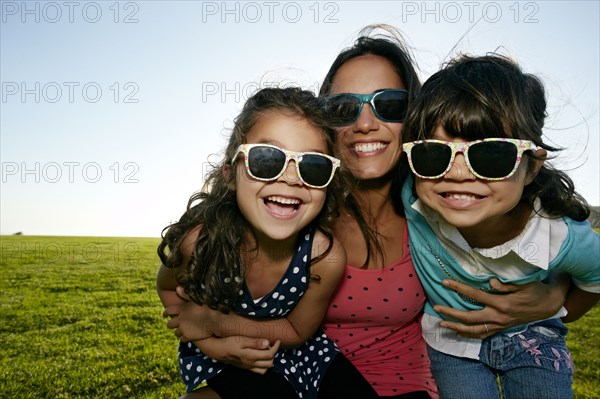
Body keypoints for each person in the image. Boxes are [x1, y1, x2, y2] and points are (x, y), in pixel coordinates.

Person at [164, 25, 571, 398]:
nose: (365, 123)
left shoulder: (441, 201)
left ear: (413, 116)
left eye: (389, 105)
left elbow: (559, 265)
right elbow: (187, 293)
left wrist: (549, 299)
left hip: (406, 386)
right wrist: (215, 339)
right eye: (344, 109)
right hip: (285, 374)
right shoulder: (294, 206)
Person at [400, 54, 600, 399]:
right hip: (451, 342)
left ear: (533, 167)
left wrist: (558, 307)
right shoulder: (416, 200)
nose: (458, 173)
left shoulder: (561, 235)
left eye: (491, 155)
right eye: (433, 154)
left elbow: (596, 278)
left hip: (533, 335)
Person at [157, 87, 378, 399]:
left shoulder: (323, 257)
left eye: (312, 165)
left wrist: (217, 322)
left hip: (306, 356)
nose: (290, 178)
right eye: (266, 159)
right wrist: (215, 345)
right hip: (229, 359)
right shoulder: (199, 241)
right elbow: (168, 287)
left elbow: (297, 331)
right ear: (230, 174)